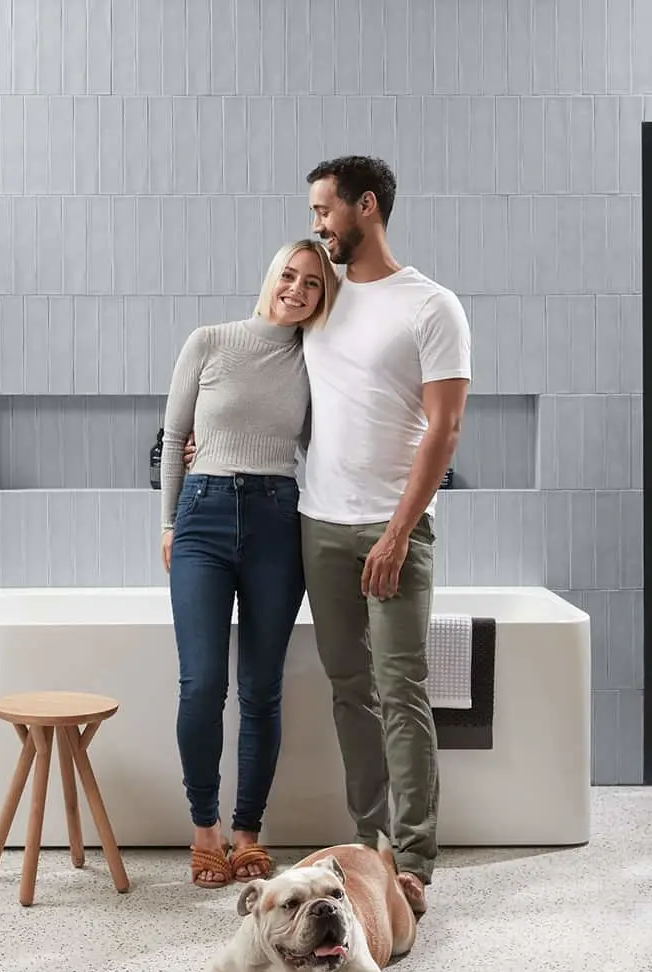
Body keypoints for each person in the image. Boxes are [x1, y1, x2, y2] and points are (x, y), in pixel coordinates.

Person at [184, 157, 470, 915]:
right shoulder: (324, 302)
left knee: (401, 689)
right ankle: (371, 840)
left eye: (324, 210)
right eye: (313, 213)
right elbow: (264, 386)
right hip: (317, 524)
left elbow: (445, 431)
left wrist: (398, 533)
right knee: (352, 692)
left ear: (364, 207)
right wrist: (204, 448)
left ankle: (412, 862)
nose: (316, 223)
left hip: (392, 531)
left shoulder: (431, 306)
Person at [160, 238, 338, 888]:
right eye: (289, 275)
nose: (297, 289)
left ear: (322, 298)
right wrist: (168, 522)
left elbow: (325, 447)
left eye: (313, 284)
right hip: (203, 514)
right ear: (271, 275)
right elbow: (175, 436)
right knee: (202, 683)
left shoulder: (315, 361)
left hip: (276, 521)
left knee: (261, 689)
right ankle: (204, 827)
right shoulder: (208, 341)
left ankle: (246, 835)